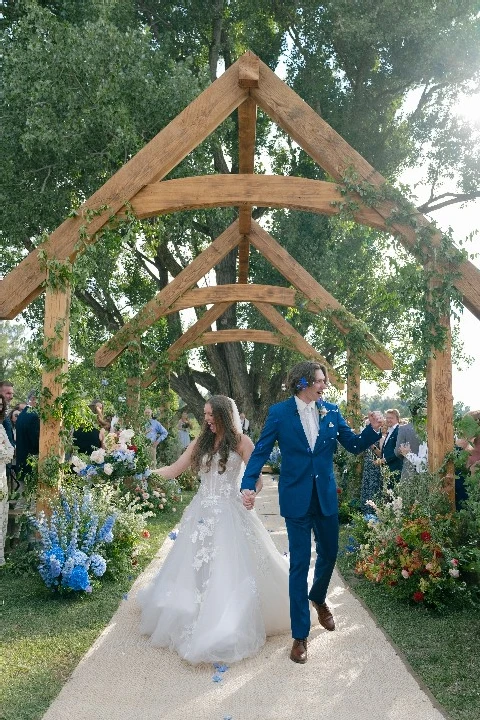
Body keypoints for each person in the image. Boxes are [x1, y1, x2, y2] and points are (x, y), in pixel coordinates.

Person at [240, 361, 383, 664]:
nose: (324, 386)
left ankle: (318, 597)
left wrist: (371, 430)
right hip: (296, 499)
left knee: (330, 554)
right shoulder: (279, 413)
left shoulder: (330, 411)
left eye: (325, 381)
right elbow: (262, 450)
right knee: (299, 563)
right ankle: (300, 635)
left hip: (326, 498)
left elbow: (354, 445)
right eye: (320, 381)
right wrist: (247, 483)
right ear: (302, 383)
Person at [138, 395, 295, 664]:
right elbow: (175, 468)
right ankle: (193, 611)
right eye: (205, 414)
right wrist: (144, 474)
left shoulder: (243, 442)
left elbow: (257, 479)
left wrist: (250, 493)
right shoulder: (202, 441)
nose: (207, 419)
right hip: (201, 513)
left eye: (211, 414)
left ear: (224, 414)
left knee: (229, 567)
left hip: (230, 510)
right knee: (194, 563)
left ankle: (226, 617)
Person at [0, 393, 15, 565]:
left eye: (1, 405)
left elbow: (11, 450)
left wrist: (4, 451)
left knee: (2, 514)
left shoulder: (1, 428)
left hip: (2, 477)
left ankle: (1, 556)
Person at [15, 390, 40, 482]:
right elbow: (34, 440)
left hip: (21, 460)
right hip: (29, 462)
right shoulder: (33, 417)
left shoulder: (21, 415)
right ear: (33, 399)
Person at [379, 408, 403, 483]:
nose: (388, 420)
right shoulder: (390, 431)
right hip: (387, 469)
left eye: (391, 418)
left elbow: (399, 451)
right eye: (387, 418)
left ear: (397, 419)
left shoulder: (399, 431)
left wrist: (385, 459)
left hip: (395, 469)